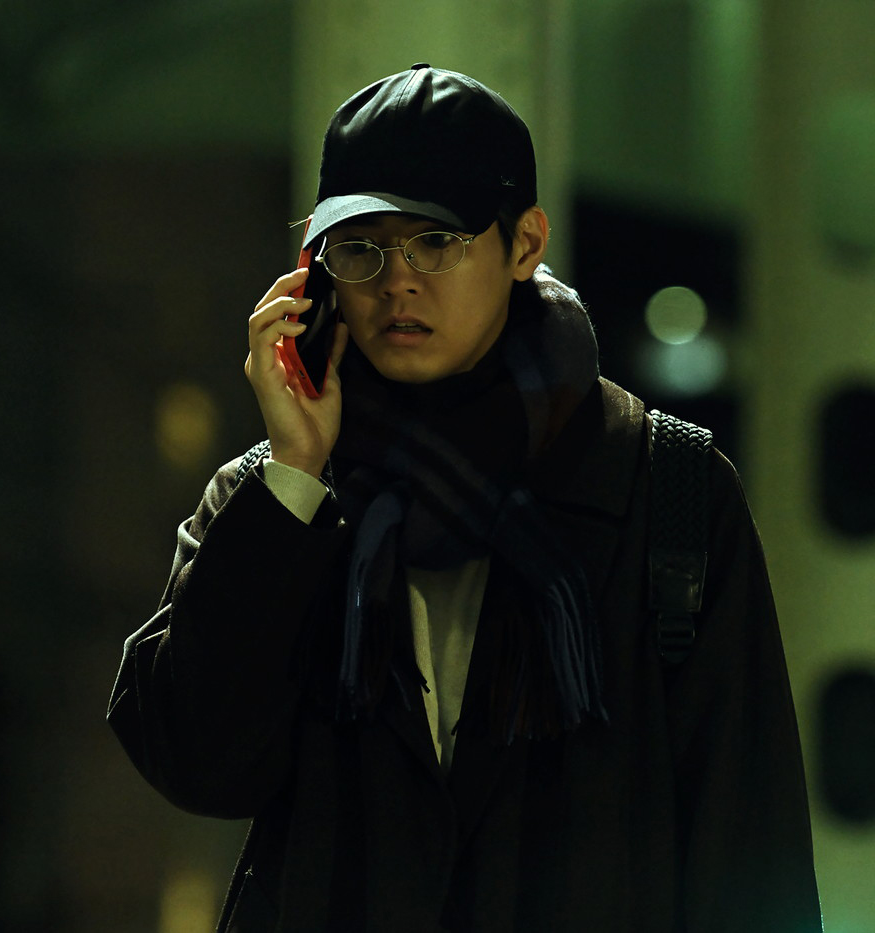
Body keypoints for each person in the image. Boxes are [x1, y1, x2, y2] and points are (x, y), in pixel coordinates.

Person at [108, 63, 822, 932]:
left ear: (524, 244)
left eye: (436, 241)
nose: (396, 281)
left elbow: (749, 844)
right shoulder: (278, 495)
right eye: (360, 249)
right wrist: (294, 472)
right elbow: (200, 764)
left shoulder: (663, 487)